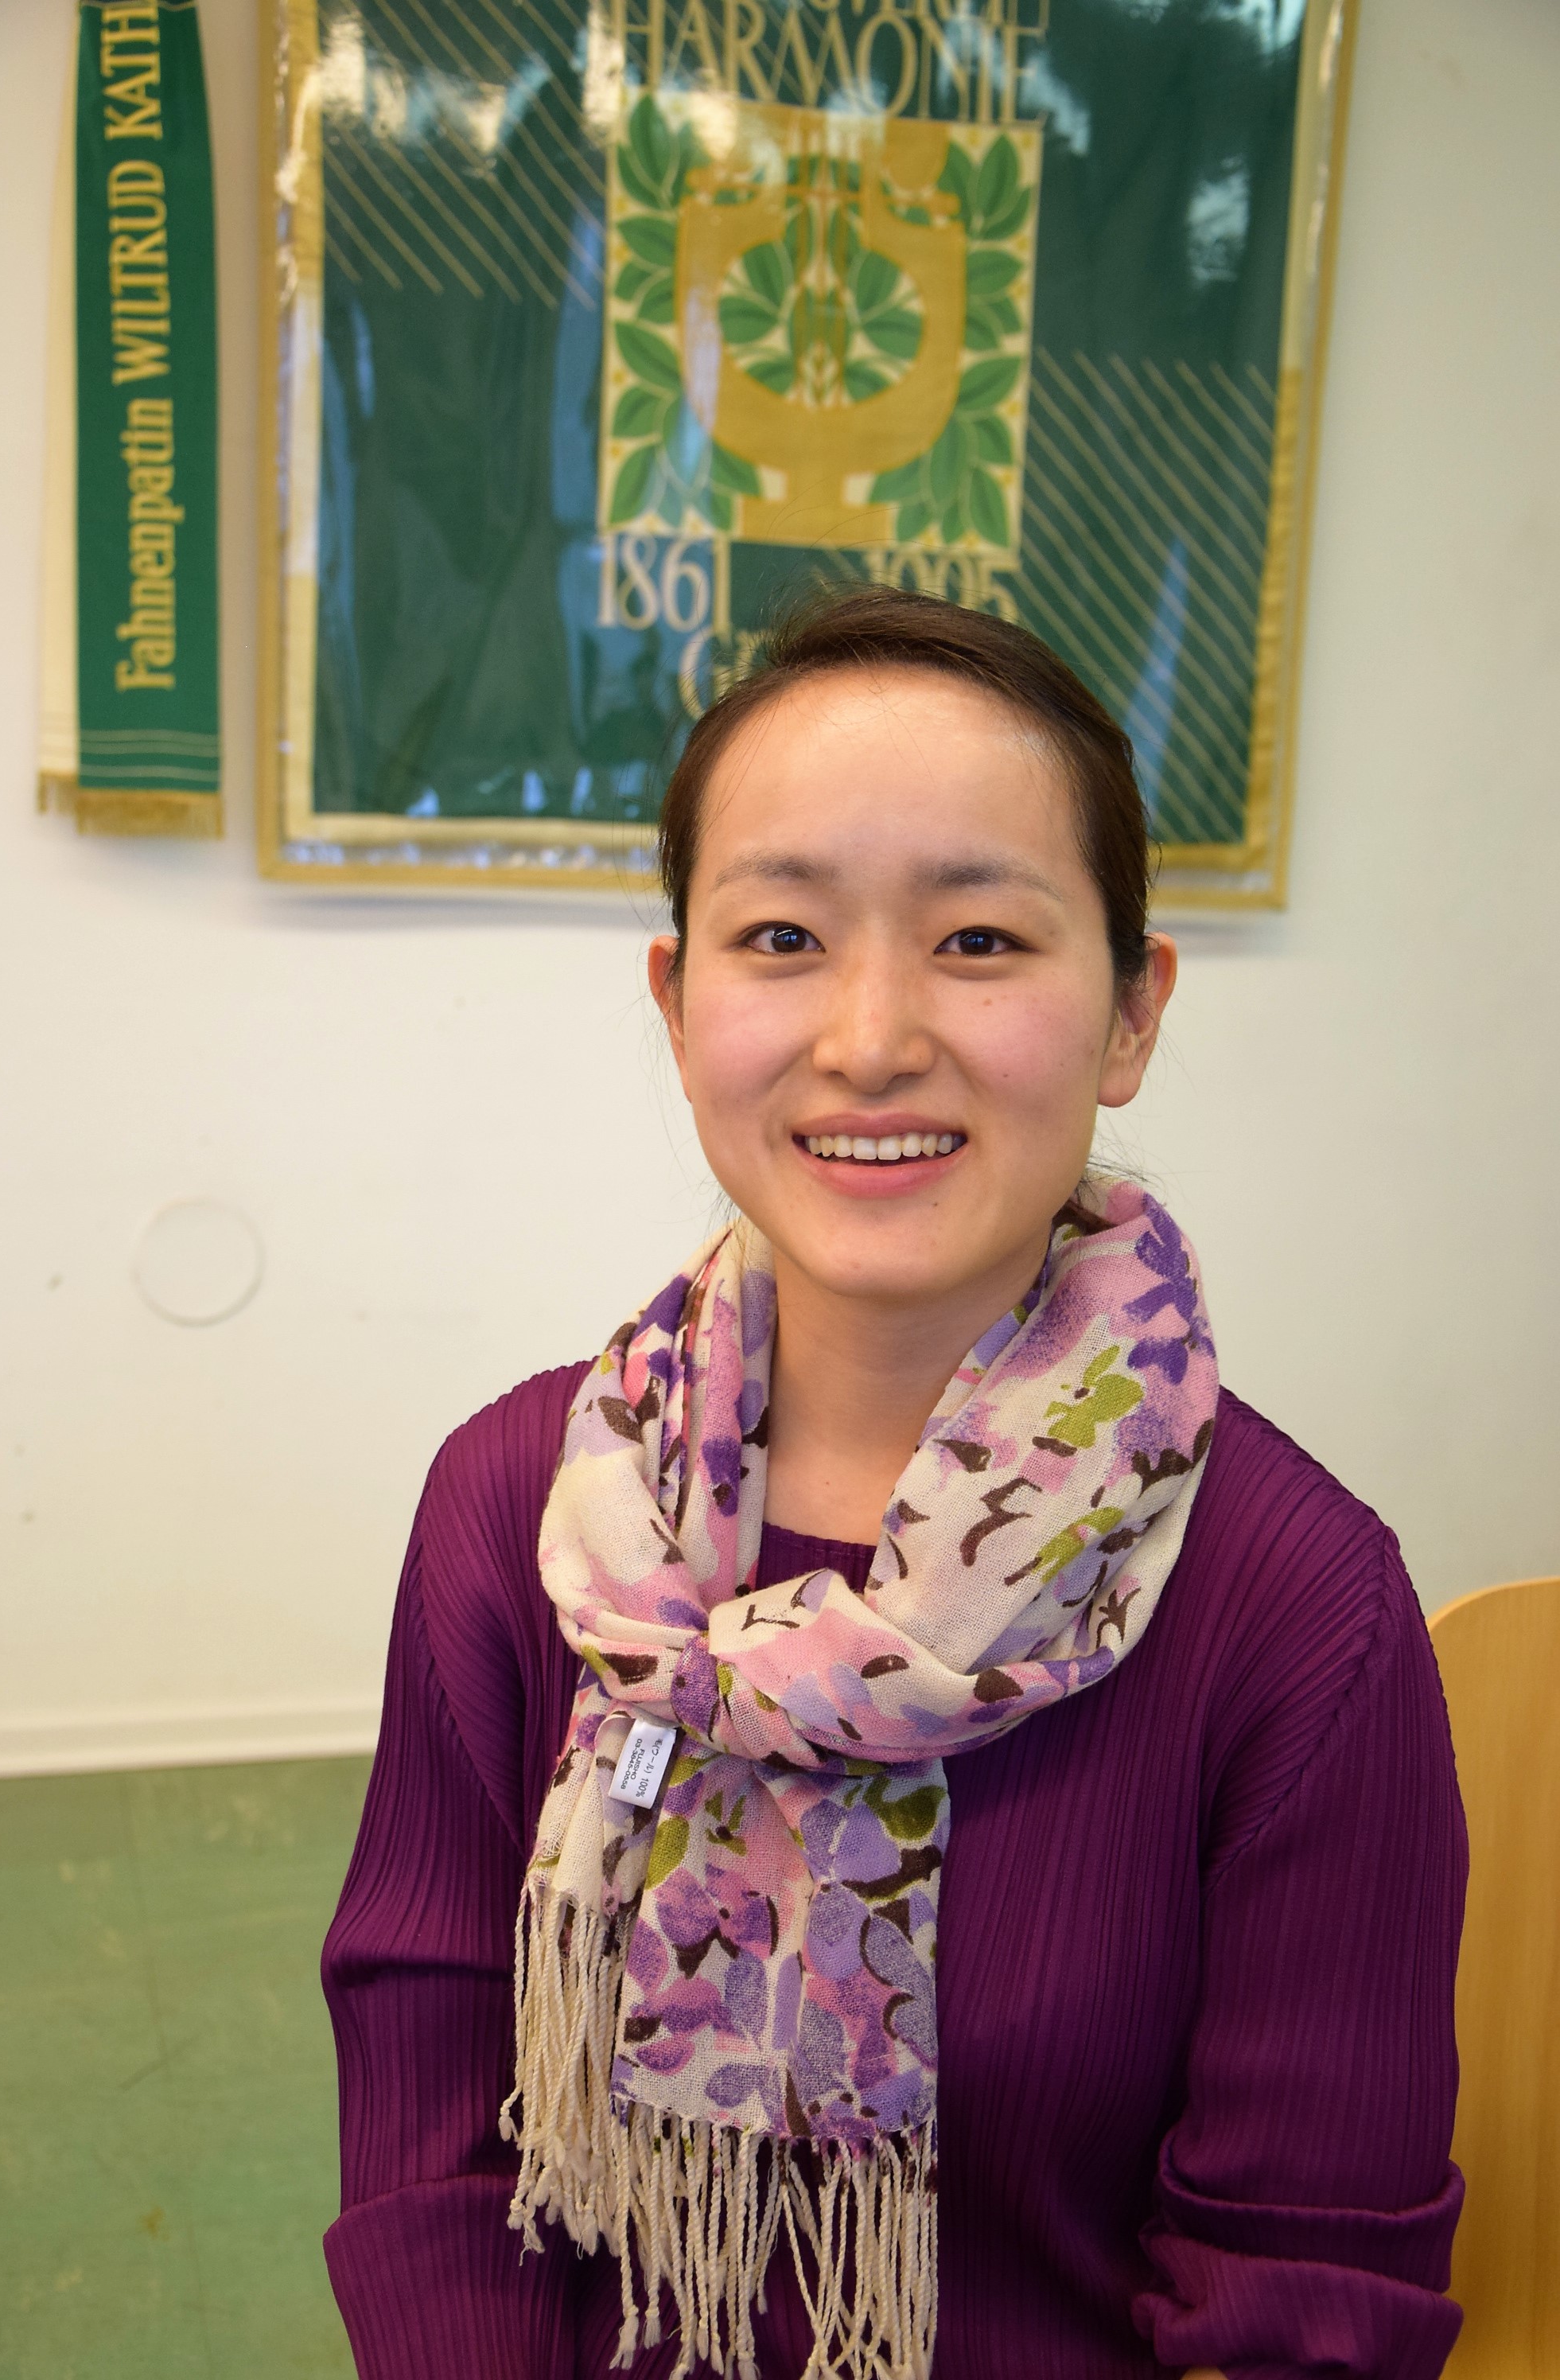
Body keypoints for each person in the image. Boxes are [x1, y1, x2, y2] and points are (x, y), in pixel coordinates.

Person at [321, 587, 1467, 2380]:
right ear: (677, 1001)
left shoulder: (1300, 1603)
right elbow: (435, 2147)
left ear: (1131, 1013)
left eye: (979, 939)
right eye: (780, 934)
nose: (868, 1037)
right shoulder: (519, 1509)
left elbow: (1304, 2292)